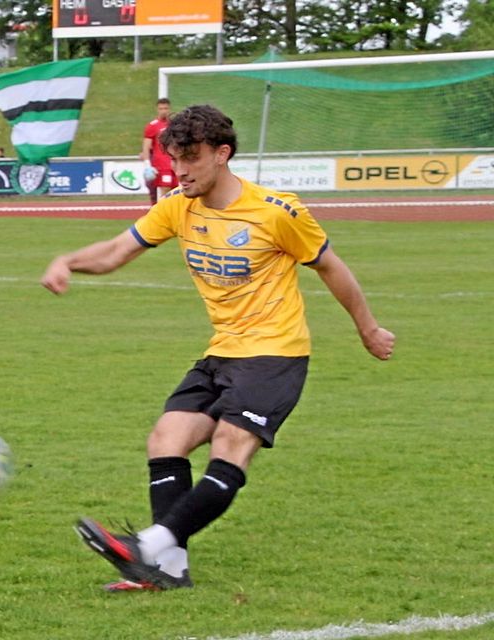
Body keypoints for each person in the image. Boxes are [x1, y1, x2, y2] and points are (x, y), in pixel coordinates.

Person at [41, 104, 395, 591]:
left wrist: (368, 328)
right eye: (174, 159)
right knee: (166, 439)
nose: (179, 170)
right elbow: (117, 251)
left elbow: (332, 268)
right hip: (223, 351)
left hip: (275, 352)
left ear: (222, 154)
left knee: (230, 446)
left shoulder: (277, 212)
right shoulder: (177, 205)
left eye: (190, 158)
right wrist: (68, 261)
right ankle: (167, 570)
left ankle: (152, 545)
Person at [140, 97, 176, 206]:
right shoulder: (152, 126)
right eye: (161, 108)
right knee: (165, 192)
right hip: (162, 165)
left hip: (175, 164)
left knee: (178, 192)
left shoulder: (174, 125)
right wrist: (147, 165)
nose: (164, 111)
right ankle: (163, 216)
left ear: (169, 109)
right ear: (157, 109)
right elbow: (146, 147)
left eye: (166, 108)